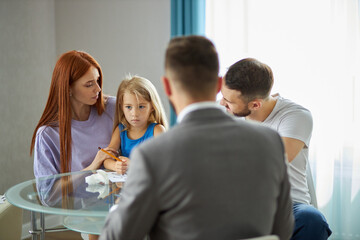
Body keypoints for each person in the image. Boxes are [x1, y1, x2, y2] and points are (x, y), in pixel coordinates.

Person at [100, 36, 294, 240]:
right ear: (219, 84)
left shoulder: (152, 155)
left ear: (166, 87)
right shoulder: (271, 142)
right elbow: (284, 230)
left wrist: (120, 207)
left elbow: (118, 237)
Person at [220, 58, 332, 240]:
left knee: (312, 220)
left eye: (228, 101)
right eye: (222, 96)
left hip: (288, 204)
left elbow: (273, 163)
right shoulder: (225, 113)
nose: (222, 104)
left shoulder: (295, 116)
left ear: (255, 104)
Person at [30, 50, 117, 240]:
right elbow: (48, 196)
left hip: (125, 204)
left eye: (98, 80)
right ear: (68, 88)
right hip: (87, 215)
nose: (98, 89)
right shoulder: (48, 134)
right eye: (89, 84)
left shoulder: (113, 108)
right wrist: (91, 168)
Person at [103, 75, 168, 174]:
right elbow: (107, 159)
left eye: (141, 106)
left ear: (152, 107)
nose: (134, 114)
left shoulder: (157, 130)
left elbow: (165, 163)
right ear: (121, 107)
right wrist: (116, 166)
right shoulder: (120, 130)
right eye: (128, 107)